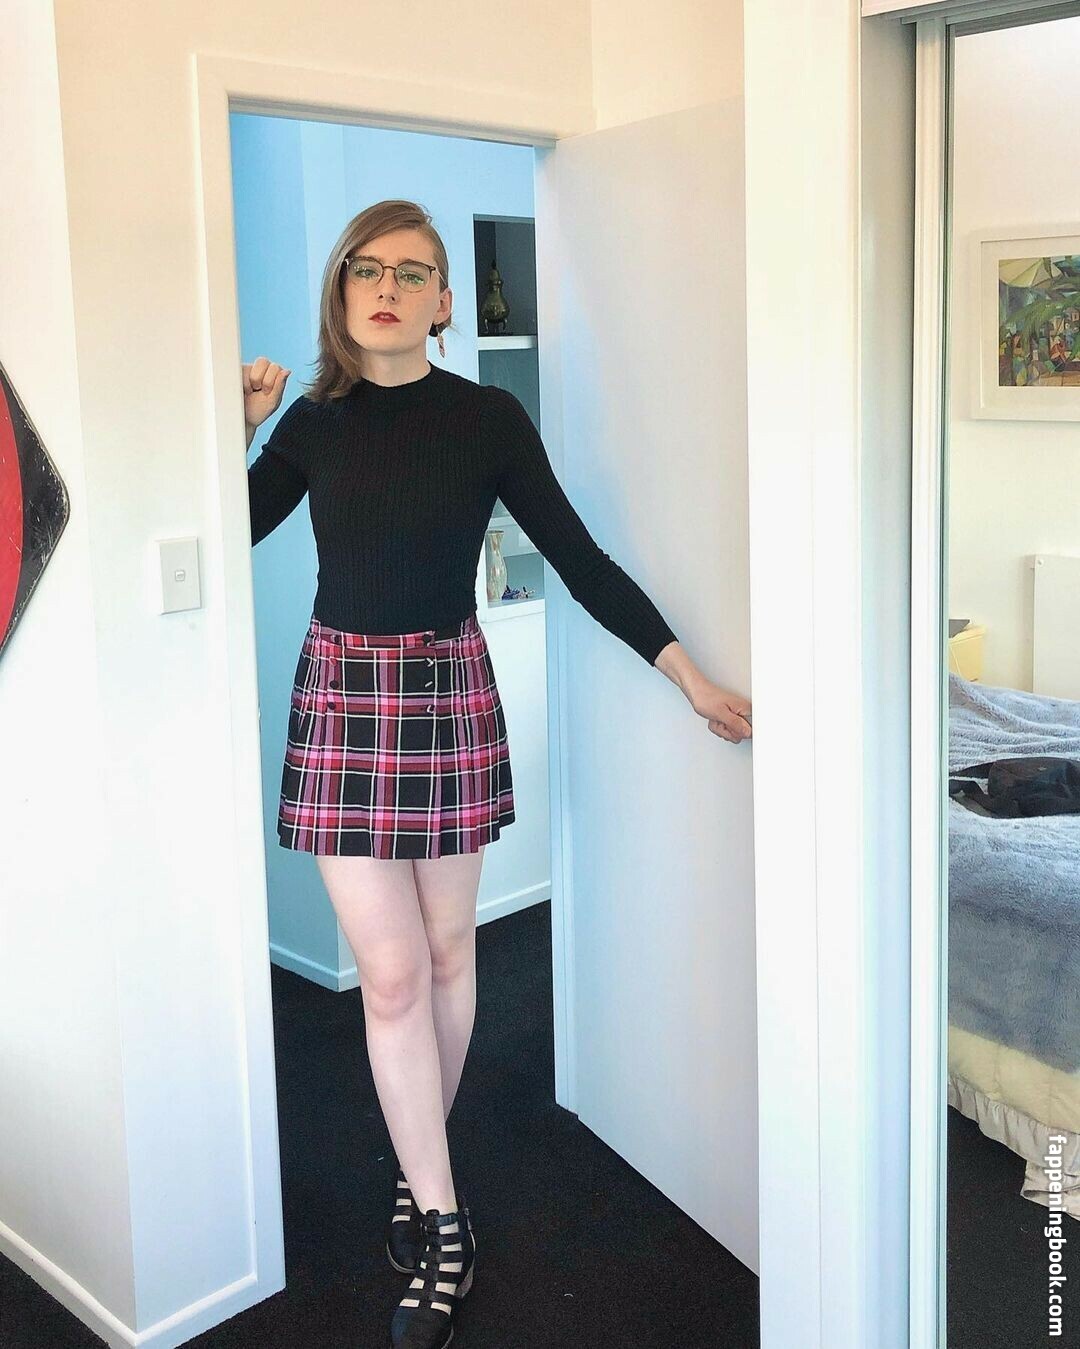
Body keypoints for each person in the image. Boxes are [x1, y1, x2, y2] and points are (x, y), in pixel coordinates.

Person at [242, 199, 752, 1349]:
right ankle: (445, 1216)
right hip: (342, 701)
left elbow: (577, 556)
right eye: (365, 269)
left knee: (449, 954)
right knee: (390, 977)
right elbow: (218, 543)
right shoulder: (310, 426)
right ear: (340, 294)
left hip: (447, 692)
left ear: (444, 302)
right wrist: (239, 430)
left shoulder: (487, 418)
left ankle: (418, 1159)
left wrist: (685, 674)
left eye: (411, 271)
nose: (386, 286)